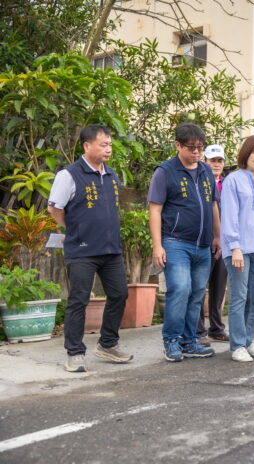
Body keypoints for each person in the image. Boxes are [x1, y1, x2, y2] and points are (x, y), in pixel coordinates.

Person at [47, 124, 133, 372]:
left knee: (119, 294)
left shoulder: (112, 175)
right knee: (79, 300)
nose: (108, 149)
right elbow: (54, 208)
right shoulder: (69, 175)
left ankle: (108, 343)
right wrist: (72, 229)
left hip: (111, 250)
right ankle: (74, 352)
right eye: (103, 145)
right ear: (87, 145)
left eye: (110, 145)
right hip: (82, 250)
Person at [148, 123, 221, 362]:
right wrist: (157, 245)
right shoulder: (165, 172)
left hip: (203, 245)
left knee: (197, 293)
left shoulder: (206, 171)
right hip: (176, 242)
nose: (197, 152)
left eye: (200, 147)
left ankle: (189, 341)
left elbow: (213, 204)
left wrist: (218, 236)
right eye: (191, 147)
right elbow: (155, 210)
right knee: (180, 289)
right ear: (178, 145)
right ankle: (171, 340)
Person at [220, 135, 254, 362]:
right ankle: (237, 345)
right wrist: (235, 248)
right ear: (246, 153)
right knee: (239, 296)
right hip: (238, 248)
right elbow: (229, 216)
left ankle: (249, 341)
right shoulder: (233, 180)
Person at [196, 144, 230, 346]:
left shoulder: (228, 184)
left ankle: (216, 329)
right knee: (199, 287)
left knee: (219, 287)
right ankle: (198, 330)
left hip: (225, 243)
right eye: (212, 161)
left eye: (219, 161)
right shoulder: (199, 181)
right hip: (203, 241)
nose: (216, 164)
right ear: (205, 162)